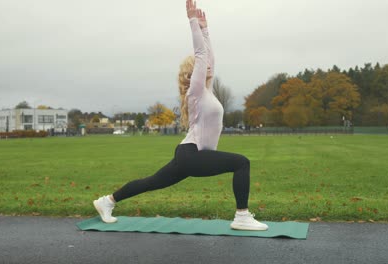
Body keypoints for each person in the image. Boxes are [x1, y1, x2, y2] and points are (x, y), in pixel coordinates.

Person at [93, 0, 268, 231]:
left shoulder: (207, 91)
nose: (207, 66)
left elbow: (209, 58)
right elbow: (201, 54)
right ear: (194, 70)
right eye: (200, 65)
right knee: (241, 163)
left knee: (152, 182)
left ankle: (106, 202)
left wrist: (206, 29)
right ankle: (242, 216)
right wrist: (193, 23)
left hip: (190, 154)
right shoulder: (194, 92)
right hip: (191, 154)